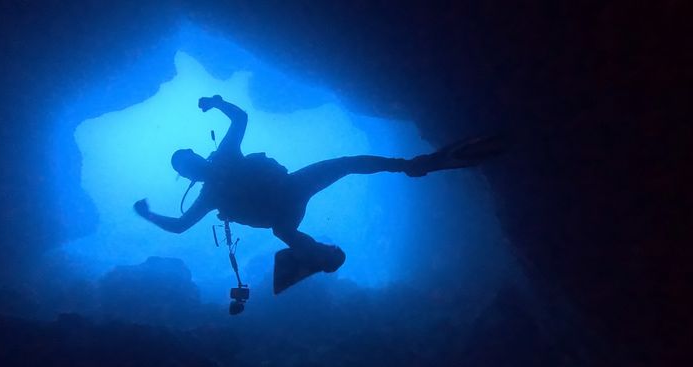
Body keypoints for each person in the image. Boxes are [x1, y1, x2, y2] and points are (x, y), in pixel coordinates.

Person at [134, 95, 502, 293]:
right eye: (186, 167)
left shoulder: (224, 159)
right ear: (189, 176)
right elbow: (181, 226)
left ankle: (413, 164)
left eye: (190, 158)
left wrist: (217, 102)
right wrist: (150, 216)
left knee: (343, 163)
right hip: (283, 213)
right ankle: (324, 256)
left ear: (198, 156)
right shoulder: (210, 193)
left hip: (290, 190)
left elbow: (240, 118)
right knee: (286, 230)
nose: (193, 164)